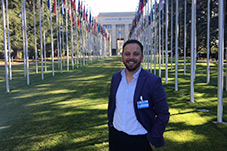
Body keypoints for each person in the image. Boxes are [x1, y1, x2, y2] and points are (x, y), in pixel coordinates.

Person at [108, 39, 170, 151]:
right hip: (116, 137)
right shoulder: (116, 78)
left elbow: (163, 114)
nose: (131, 57)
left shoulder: (152, 81)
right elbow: (112, 104)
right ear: (122, 57)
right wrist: (110, 125)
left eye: (136, 54)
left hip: (140, 140)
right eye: (127, 54)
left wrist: (153, 138)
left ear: (141, 57)